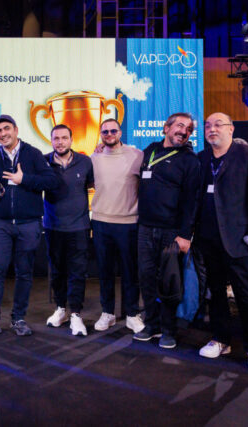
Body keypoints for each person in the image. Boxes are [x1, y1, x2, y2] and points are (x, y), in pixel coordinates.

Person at [195, 112, 248, 373]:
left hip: (238, 239)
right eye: (208, 125)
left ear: (231, 129)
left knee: (245, 294)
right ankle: (220, 339)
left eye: (218, 124)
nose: (212, 129)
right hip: (208, 238)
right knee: (215, 293)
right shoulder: (202, 158)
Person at [0, 114, 58, 341]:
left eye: (6, 128)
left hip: (29, 224)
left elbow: (51, 182)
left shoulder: (33, 154)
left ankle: (18, 318)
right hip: (1, 224)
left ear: (16, 130)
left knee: (24, 273)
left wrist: (24, 179)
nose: (3, 134)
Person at [134, 113, 200, 349]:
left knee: (170, 282)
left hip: (172, 232)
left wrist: (185, 235)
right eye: (180, 125)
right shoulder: (150, 150)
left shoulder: (190, 160)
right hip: (145, 228)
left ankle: (169, 330)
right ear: (166, 128)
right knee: (146, 278)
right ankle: (151, 325)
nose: (184, 131)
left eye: (189, 129)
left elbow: (192, 201)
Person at [90, 119, 144, 334]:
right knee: (105, 271)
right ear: (100, 135)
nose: (109, 134)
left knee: (130, 272)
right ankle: (108, 313)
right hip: (101, 222)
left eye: (113, 130)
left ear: (120, 132)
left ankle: (132, 314)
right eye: (105, 132)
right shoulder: (94, 158)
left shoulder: (137, 155)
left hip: (128, 223)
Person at [43, 124, 94, 336]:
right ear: (51, 141)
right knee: (57, 271)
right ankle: (60, 309)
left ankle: (76, 314)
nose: (60, 142)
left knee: (77, 272)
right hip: (53, 226)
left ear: (71, 140)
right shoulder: (44, 162)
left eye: (64, 138)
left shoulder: (85, 161)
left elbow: (92, 188)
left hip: (79, 227)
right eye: (56, 138)